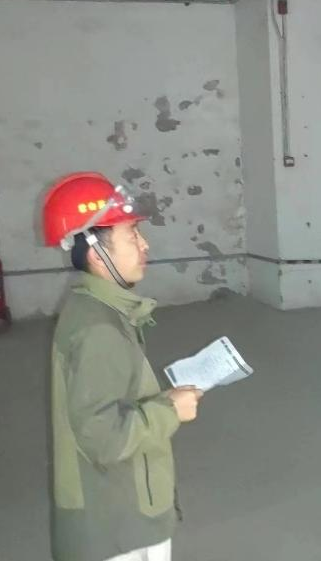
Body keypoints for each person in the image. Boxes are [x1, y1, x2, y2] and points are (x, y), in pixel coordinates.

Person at [43, 172, 202, 561]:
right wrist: (170, 410)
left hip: (118, 505)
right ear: (97, 253)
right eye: (132, 235)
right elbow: (104, 437)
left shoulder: (97, 309)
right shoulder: (99, 329)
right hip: (118, 523)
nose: (145, 244)